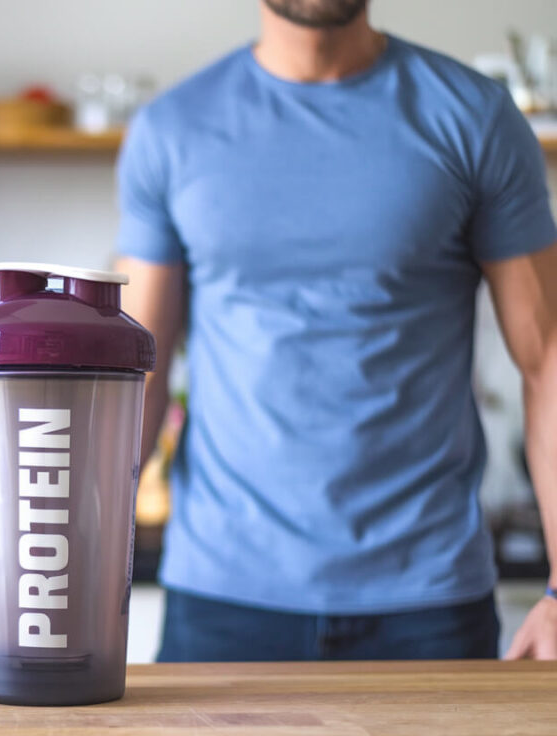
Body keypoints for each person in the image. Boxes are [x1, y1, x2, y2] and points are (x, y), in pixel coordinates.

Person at [115, 0, 557, 662]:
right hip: (222, 599)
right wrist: (78, 564)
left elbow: (546, 357)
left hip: (427, 601)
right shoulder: (172, 130)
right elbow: (132, 372)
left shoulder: (474, 117)